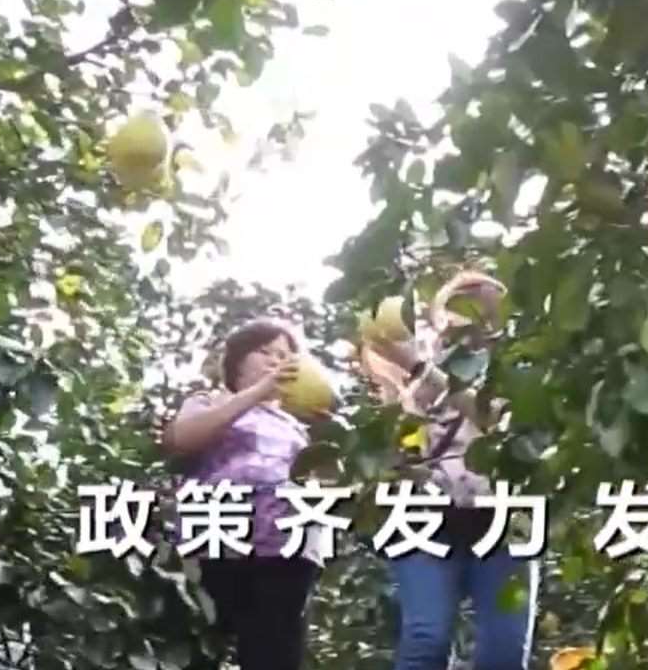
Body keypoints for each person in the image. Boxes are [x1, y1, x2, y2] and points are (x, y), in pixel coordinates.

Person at [358, 271, 538, 670]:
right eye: (461, 306)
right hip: (425, 516)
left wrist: (419, 369)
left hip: (505, 518)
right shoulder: (415, 361)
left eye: (487, 307)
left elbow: (494, 418)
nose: (473, 317)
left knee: (504, 651)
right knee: (426, 638)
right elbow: (396, 447)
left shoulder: (522, 362)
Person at [159, 317, 327, 670]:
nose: (276, 361)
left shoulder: (297, 425)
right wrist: (256, 394)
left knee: (274, 649)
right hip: (221, 532)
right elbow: (183, 439)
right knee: (204, 640)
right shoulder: (211, 401)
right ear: (236, 362)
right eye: (265, 352)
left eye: (284, 355)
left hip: (286, 543)